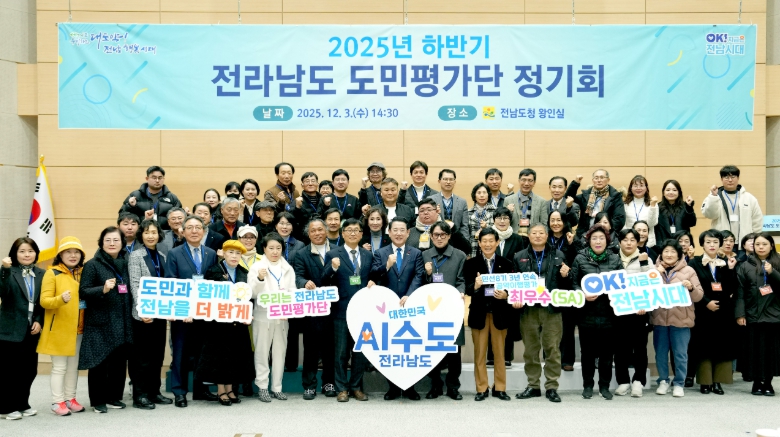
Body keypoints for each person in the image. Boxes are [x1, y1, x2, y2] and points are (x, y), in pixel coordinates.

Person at [78, 227, 135, 413]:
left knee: (119, 362)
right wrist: (102, 289)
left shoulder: (126, 263)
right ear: (101, 243)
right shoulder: (92, 264)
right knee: (99, 362)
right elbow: (83, 291)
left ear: (122, 243)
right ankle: (97, 400)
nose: (112, 243)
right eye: (108, 240)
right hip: (100, 321)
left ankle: (114, 397)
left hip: (122, 320)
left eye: (116, 240)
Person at [165, 215, 219, 407]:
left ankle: (200, 389)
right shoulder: (174, 253)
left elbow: (214, 281)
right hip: (183, 313)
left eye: (198, 227)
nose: (194, 231)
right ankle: (179, 392)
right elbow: (171, 282)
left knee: (202, 352)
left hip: (204, 312)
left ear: (203, 231)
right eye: (190, 227)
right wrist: (184, 309)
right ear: (183, 231)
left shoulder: (211, 253)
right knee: (180, 353)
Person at [370, 217, 426, 401]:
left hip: (410, 305)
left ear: (408, 233)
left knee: (410, 347)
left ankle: (410, 387)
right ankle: (393, 387)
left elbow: (419, 275)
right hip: (388, 308)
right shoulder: (380, 253)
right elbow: (374, 274)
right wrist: (387, 265)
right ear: (389, 232)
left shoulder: (416, 253)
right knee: (391, 347)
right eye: (395, 230)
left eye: (403, 230)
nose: (399, 233)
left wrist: (410, 295)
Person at [322, 218, 375, 402]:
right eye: (349, 230)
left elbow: (373, 277)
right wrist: (332, 268)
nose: (353, 233)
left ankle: (356, 387)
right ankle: (342, 388)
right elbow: (324, 279)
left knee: (360, 350)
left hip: (363, 310)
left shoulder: (368, 255)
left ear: (361, 234)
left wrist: (374, 281)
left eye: (356, 230)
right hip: (341, 310)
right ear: (342, 233)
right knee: (341, 352)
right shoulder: (332, 254)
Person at [514, 224, 568, 403]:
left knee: (552, 349)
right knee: (530, 349)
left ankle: (552, 386)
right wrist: (516, 298)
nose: (537, 236)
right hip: (528, 309)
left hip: (551, 308)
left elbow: (565, 284)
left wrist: (566, 275)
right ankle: (533, 385)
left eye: (541, 233)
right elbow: (514, 283)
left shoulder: (559, 255)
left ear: (547, 235)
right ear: (528, 236)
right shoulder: (519, 256)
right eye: (534, 233)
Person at [198, 240, 255, 406]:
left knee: (234, 356)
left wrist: (248, 314)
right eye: (231, 252)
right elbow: (207, 296)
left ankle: (230, 389)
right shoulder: (213, 271)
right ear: (223, 253)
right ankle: (221, 390)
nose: (234, 256)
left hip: (237, 322)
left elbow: (248, 298)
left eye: (238, 253)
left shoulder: (244, 272)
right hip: (218, 323)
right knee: (220, 357)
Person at [571, 224, 622, 400]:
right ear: (589, 241)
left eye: (601, 238)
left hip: (609, 314)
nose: (598, 241)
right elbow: (573, 282)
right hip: (587, 314)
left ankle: (604, 386)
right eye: (594, 238)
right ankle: (587, 385)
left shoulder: (615, 259)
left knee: (607, 353)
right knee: (587, 353)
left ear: (607, 241)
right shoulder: (580, 258)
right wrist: (582, 294)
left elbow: (622, 284)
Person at [127, 220, 173, 410]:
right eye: (146, 232)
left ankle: (154, 391)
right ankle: (140, 394)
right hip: (143, 315)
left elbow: (167, 286)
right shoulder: (136, 256)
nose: (151, 236)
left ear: (159, 235)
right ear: (141, 235)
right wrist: (142, 309)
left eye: (154, 232)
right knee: (142, 357)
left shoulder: (162, 255)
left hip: (159, 313)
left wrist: (169, 309)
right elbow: (135, 284)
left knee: (157, 355)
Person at [38, 237, 87, 416]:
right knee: (59, 367)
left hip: (79, 328)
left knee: (73, 367)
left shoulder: (84, 272)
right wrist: (60, 299)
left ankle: (70, 398)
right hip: (59, 328)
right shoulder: (52, 273)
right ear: (60, 255)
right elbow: (44, 301)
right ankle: (57, 401)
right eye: (68, 252)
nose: (73, 255)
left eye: (76, 252)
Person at [464, 228, 513, 401]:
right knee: (479, 354)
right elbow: (467, 288)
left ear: (497, 242)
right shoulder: (471, 263)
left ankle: (500, 388)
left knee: (500, 354)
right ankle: (481, 388)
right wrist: (476, 286)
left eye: (491, 241)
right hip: (479, 313)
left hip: (500, 313)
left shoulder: (506, 263)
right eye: (484, 241)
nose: (488, 244)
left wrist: (506, 294)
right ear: (479, 243)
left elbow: (513, 287)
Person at [652, 239, 704, 398]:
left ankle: (679, 383)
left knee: (680, 354)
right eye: (666, 251)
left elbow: (699, 296)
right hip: (659, 319)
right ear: (661, 253)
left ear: (679, 254)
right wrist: (656, 274)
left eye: (673, 252)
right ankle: (663, 381)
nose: (669, 255)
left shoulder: (689, 271)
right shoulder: (653, 270)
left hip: (682, 320)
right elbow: (645, 292)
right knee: (660, 354)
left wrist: (691, 288)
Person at [689, 229, 739, 395]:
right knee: (703, 346)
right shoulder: (694, 263)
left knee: (722, 346)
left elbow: (731, 288)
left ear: (720, 244)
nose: (712, 245)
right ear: (702, 244)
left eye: (715, 242)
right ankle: (705, 382)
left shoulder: (725, 263)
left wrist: (731, 269)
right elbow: (692, 287)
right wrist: (706, 302)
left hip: (723, 311)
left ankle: (718, 382)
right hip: (702, 311)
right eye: (708, 242)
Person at [421, 221, 467, 400]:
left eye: (443, 235)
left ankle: (453, 386)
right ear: (431, 237)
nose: (439, 238)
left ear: (449, 236)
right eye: (436, 235)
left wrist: (461, 291)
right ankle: (435, 385)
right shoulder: (425, 255)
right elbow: (420, 282)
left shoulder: (459, 255)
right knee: (432, 348)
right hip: (431, 308)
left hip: (451, 307)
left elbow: (461, 279)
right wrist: (428, 274)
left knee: (454, 349)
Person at [249, 232, 296, 403]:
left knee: (280, 352)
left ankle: (277, 387)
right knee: (262, 352)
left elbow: (292, 292)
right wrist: (260, 279)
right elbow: (252, 293)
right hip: (263, 316)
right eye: (271, 248)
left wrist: (288, 310)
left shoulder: (288, 268)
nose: (275, 252)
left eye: (278, 248)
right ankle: (262, 386)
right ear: (264, 249)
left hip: (282, 318)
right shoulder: (256, 267)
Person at [0, 238, 44, 420]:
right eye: (22, 251)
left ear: (36, 253)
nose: (27, 255)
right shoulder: (8, 271)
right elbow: (3, 292)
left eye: (30, 251)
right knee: (9, 371)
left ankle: (22, 403)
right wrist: (5, 270)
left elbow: (43, 301)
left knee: (29, 370)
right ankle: (6, 407)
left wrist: (39, 320)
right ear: (14, 254)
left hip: (31, 329)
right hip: (10, 328)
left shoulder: (42, 273)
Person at [293, 219, 337, 400]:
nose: (317, 233)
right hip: (312, 308)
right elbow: (297, 276)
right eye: (313, 231)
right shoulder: (301, 254)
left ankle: (329, 383)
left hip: (333, 307)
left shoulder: (337, 250)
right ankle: (309, 385)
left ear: (326, 231)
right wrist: (304, 283)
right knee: (310, 348)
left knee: (330, 349)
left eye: (320, 229)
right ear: (308, 234)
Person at [736, 232, 780, 396]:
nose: (761, 247)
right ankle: (756, 382)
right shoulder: (745, 265)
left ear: (771, 246)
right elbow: (740, 292)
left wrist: (773, 272)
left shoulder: (778, 262)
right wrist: (740, 314)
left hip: (773, 314)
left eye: (764, 244)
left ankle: (768, 382)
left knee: (770, 351)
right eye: (757, 244)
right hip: (752, 314)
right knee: (754, 351)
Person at [487, 206, 528, 367]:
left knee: (509, 320)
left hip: (511, 284)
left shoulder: (518, 239)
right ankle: (491, 356)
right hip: (491, 284)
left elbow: (521, 261)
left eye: (505, 218)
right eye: (499, 218)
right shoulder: (488, 237)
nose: (502, 221)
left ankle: (506, 356)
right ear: (494, 220)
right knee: (491, 320)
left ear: (510, 220)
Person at [613, 229, 651, 398]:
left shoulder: (644, 258)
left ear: (637, 242)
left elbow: (652, 282)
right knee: (620, 348)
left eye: (632, 240)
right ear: (619, 242)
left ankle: (638, 381)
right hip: (619, 310)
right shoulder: (613, 258)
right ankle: (623, 381)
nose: (629, 243)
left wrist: (644, 264)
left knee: (640, 348)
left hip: (639, 311)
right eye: (625, 239)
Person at [702, 165, 763, 249]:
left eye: (733, 177)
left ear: (738, 178)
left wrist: (754, 239)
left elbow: (757, 220)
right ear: (721, 179)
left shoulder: (749, 198)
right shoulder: (715, 196)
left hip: (744, 243)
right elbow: (709, 215)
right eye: (726, 177)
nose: (730, 180)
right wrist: (713, 196)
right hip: (722, 243)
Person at [549, 211, 578, 372]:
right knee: (550, 326)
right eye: (552, 220)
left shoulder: (571, 238)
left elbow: (579, 260)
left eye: (559, 220)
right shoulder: (545, 238)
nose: (555, 223)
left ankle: (567, 360)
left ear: (564, 222)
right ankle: (551, 359)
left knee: (567, 325)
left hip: (567, 286)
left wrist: (572, 244)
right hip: (549, 287)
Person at [566, 170, 626, 238]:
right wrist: (575, 183)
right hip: (585, 235)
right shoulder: (586, 195)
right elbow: (568, 198)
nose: (599, 180)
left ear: (608, 180)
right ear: (593, 180)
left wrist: (607, 234)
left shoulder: (615, 197)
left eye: (602, 177)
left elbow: (619, 220)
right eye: (596, 178)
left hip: (606, 236)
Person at [119, 166, 182, 231]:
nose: (157, 180)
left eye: (160, 178)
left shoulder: (172, 197)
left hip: (165, 234)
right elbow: (122, 216)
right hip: (142, 233)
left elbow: (181, 217)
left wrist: (186, 214)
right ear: (147, 178)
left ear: (163, 179)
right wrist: (130, 206)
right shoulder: (135, 195)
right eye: (154, 178)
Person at [429, 169, 471, 247]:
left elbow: (464, 226)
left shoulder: (462, 202)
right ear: (439, 181)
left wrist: (465, 243)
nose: (448, 182)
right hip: (436, 241)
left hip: (456, 242)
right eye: (445, 179)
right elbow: (427, 223)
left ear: (454, 182)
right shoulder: (431, 200)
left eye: (451, 179)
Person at [503, 169, 547, 236]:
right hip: (514, 237)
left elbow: (544, 224)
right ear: (519, 181)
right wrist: (508, 212)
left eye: (530, 180)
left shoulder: (541, 201)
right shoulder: (508, 200)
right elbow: (503, 223)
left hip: (533, 238)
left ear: (534, 182)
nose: (526, 183)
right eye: (523, 180)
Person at [623, 175, 659, 246]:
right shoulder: (625, 204)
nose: (638, 188)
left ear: (646, 188)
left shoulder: (653, 203)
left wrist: (652, 206)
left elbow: (652, 224)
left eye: (641, 185)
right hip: (629, 242)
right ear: (631, 188)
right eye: (635, 186)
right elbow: (623, 225)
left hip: (648, 243)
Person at [468, 182, 497, 258]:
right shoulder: (468, 212)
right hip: (473, 248)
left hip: (491, 247)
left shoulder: (495, 211)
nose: (482, 195)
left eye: (484, 192)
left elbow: (498, 231)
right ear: (474, 195)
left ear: (488, 195)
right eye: (479, 193)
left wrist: (486, 227)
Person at [293, 171, 322, 240]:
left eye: (313, 181)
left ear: (317, 184)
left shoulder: (323, 200)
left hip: (322, 235)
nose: (310, 184)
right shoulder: (297, 201)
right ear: (302, 185)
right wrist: (297, 208)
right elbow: (293, 221)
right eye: (307, 181)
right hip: (304, 238)